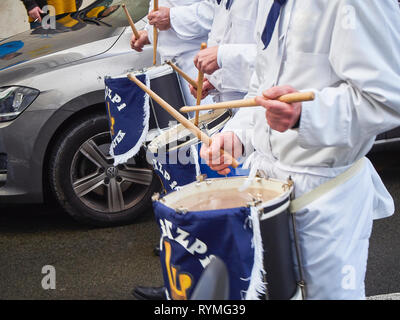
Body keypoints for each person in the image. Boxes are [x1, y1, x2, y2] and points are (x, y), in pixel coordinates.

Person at [200, 0, 400, 300]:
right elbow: (260, 89)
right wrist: (236, 136)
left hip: (325, 197)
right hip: (266, 192)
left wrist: (306, 114)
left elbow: (385, 99)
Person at [131, 0, 260, 300]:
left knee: (234, 218)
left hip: (249, 110)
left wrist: (223, 58)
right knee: (213, 206)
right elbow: (220, 29)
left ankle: (221, 289)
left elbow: (272, 61)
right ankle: (187, 286)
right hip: (226, 100)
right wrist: (214, 81)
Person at [130, 0, 214, 107]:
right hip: (171, 74)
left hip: (200, 67)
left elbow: (215, 12)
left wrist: (172, 17)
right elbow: (164, 6)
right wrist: (149, 33)